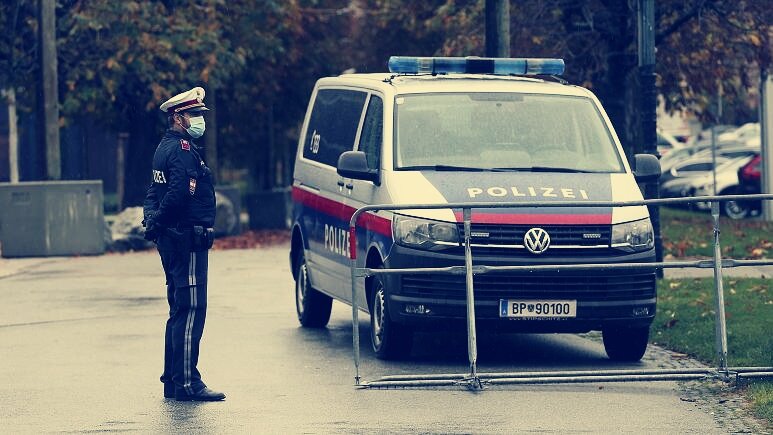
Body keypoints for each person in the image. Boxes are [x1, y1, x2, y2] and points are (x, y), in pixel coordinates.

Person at [142, 87, 225, 402]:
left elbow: (153, 191)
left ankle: (174, 381)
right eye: (195, 115)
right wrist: (159, 221)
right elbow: (177, 195)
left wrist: (152, 221)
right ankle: (188, 382)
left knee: (178, 310)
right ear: (178, 117)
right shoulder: (182, 150)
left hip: (171, 236)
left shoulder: (163, 148)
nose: (199, 120)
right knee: (191, 309)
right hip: (186, 238)